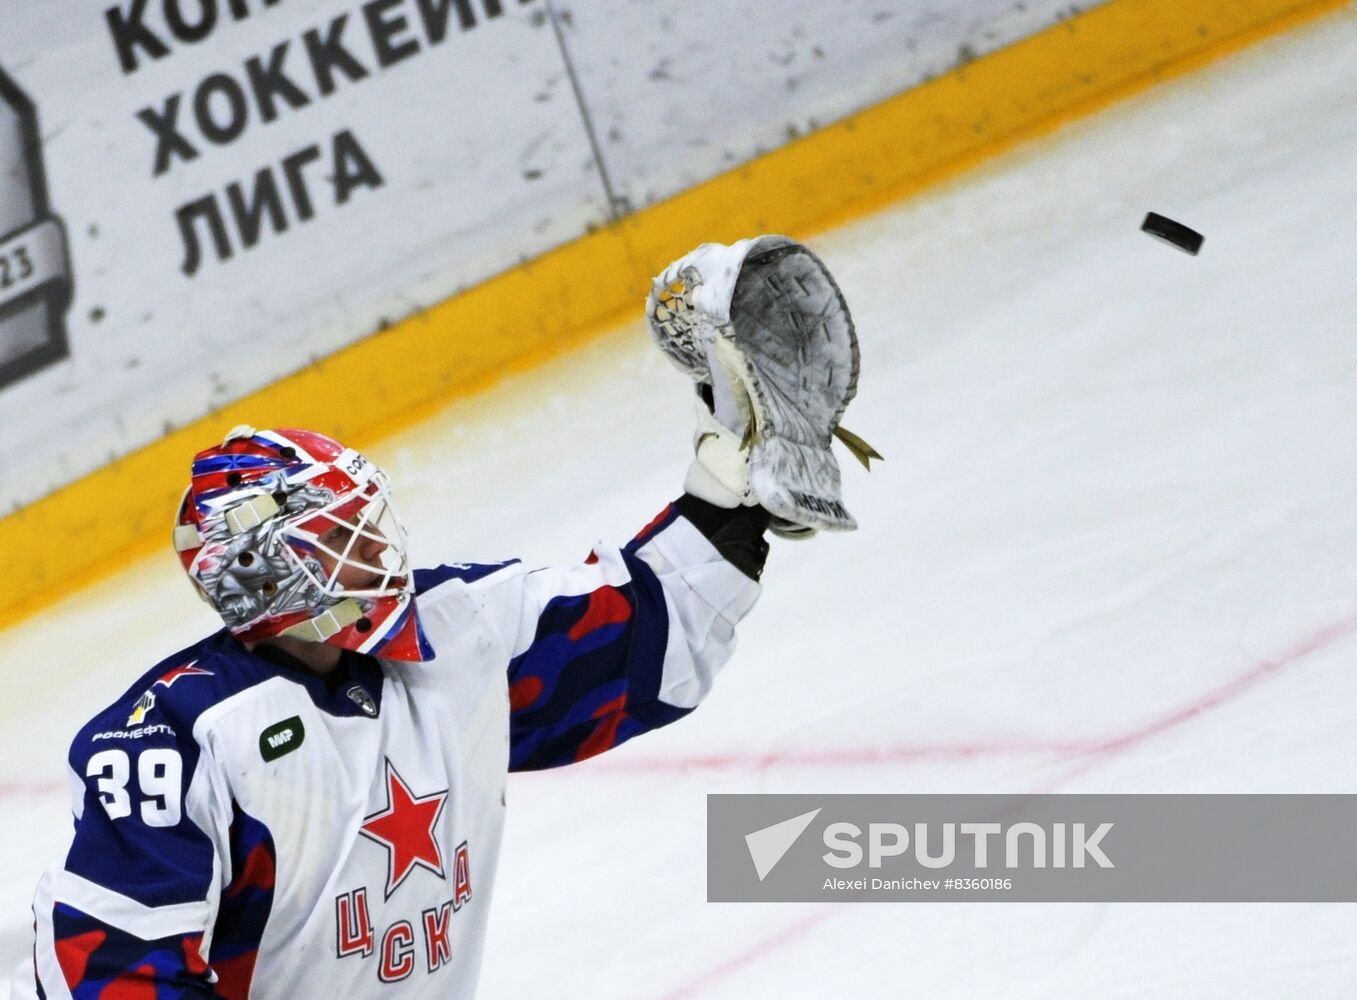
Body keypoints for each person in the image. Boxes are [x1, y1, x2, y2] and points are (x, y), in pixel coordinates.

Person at [14, 236, 870, 999]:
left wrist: (733, 492)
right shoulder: (179, 739)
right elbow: (116, 972)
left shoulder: (457, 633)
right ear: (268, 576)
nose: (380, 551)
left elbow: (646, 638)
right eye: (342, 537)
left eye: (368, 522)